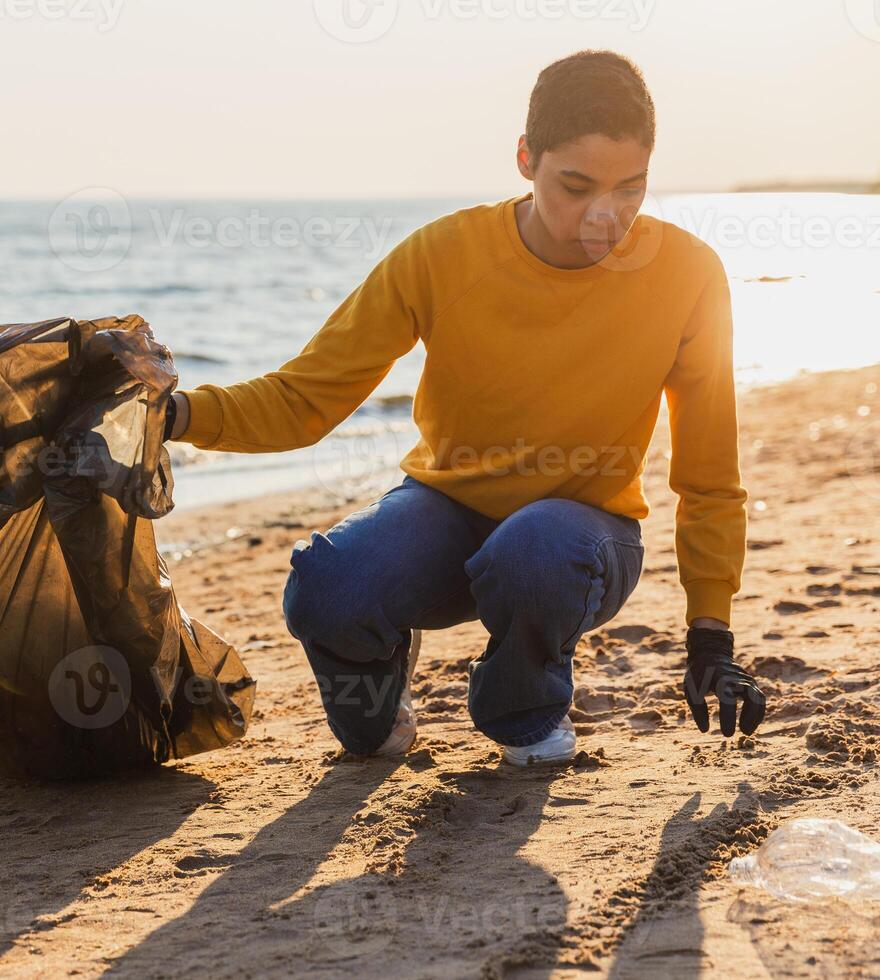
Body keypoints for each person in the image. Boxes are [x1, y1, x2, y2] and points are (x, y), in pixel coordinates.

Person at [163, 50, 767, 766]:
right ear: (525, 159)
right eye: (575, 186)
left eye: (630, 187)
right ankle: (382, 694)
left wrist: (711, 638)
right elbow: (306, 399)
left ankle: (520, 707)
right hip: (444, 514)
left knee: (536, 548)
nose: (605, 215)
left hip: (584, 539)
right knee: (324, 590)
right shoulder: (442, 256)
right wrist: (175, 416)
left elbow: (708, 480)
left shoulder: (688, 273)